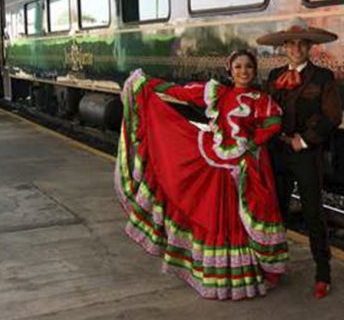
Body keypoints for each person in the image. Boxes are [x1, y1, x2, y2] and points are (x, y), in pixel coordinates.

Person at [115, 50, 288, 301]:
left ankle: (246, 272)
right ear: (230, 70)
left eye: (248, 67)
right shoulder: (218, 92)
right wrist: (147, 82)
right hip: (216, 163)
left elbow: (273, 123)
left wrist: (251, 144)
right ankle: (219, 276)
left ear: (254, 70)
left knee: (242, 217)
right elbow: (181, 92)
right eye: (238, 67)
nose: (243, 71)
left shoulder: (261, 99)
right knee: (215, 215)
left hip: (246, 166)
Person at [257, 22, 342, 299]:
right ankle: (274, 267)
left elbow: (333, 116)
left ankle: (323, 274)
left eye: (302, 44)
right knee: (277, 212)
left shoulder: (323, 78)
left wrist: (304, 140)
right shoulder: (274, 76)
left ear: (310, 47)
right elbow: (263, 111)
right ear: (284, 48)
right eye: (291, 44)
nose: (296, 48)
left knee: (312, 213)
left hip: (305, 154)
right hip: (277, 153)